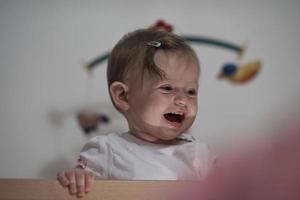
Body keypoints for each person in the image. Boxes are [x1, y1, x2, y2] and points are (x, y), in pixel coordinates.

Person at [57, 29, 216, 197]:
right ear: (123, 96)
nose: (183, 100)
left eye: (191, 92)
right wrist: (77, 176)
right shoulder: (110, 151)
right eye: (167, 88)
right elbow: (82, 183)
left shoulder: (200, 154)